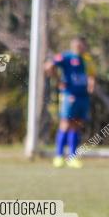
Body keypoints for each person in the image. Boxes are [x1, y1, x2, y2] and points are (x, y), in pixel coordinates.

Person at [44, 37, 95, 168]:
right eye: (78, 45)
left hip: (83, 96)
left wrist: (90, 84)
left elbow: (91, 75)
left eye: (82, 45)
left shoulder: (87, 59)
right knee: (65, 124)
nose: (80, 48)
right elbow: (49, 66)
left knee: (76, 125)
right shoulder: (66, 57)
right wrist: (58, 80)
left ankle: (72, 157)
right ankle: (59, 156)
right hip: (69, 95)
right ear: (73, 46)